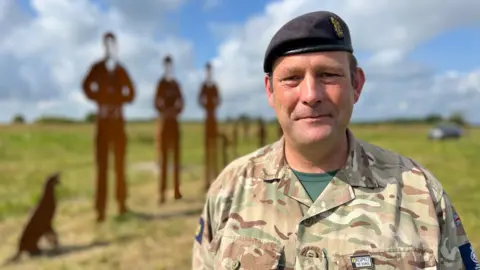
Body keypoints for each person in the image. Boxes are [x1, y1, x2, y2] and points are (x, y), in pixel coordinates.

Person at [192, 11, 478, 269]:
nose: (311, 94)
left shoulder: (421, 192)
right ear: (270, 91)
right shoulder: (229, 189)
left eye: (328, 75)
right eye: (291, 78)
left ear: (356, 85)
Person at [82, 32, 135, 223]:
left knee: (120, 166)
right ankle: (100, 210)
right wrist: (101, 100)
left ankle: (121, 204)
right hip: (103, 123)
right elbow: (86, 86)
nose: (110, 48)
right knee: (102, 168)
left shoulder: (121, 70)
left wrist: (119, 101)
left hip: (118, 123)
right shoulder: (97, 68)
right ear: (103, 46)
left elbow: (132, 93)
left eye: (113, 44)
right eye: (107, 44)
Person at [155, 55, 184, 204]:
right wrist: (165, 112)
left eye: (170, 65)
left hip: (174, 123)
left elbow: (181, 102)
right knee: (164, 159)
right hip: (164, 124)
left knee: (176, 160)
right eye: (166, 65)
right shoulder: (161, 84)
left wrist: (175, 112)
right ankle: (161, 192)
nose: (168, 68)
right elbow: (156, 102)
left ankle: (176, 190)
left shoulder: (175, 84)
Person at [198, 62, 222, 191]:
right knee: (207, 152)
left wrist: (213, 103)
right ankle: (207, 180)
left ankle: (216, 179)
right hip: (207, 120)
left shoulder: (214, 86)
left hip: (213, 119)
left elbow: (219, 100)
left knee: (215, 151)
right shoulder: (203, 86)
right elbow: (199, 100)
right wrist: (206, 103)